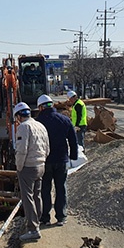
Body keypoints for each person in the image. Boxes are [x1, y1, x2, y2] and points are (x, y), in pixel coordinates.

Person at [35, 95, 78, 227]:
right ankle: (61, 217)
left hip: (45, 161)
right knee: (61, 188)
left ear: (40, 107)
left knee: (45, 189)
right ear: (52, 105)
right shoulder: (64, 120)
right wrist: (73, 156)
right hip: (62, 160)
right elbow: (73, 140)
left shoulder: (37, 122)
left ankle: (45, 218)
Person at [13, 102, 50, 241]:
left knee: (27, 198)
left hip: (28, 167)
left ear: (18, 116)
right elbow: (47, 148)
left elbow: (22, 150)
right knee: (37, 195)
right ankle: (37, 221)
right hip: (41, 165)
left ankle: (33, 229)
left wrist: (19, 166)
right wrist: (42, 161)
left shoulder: (24, 127)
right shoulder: (40, 125)